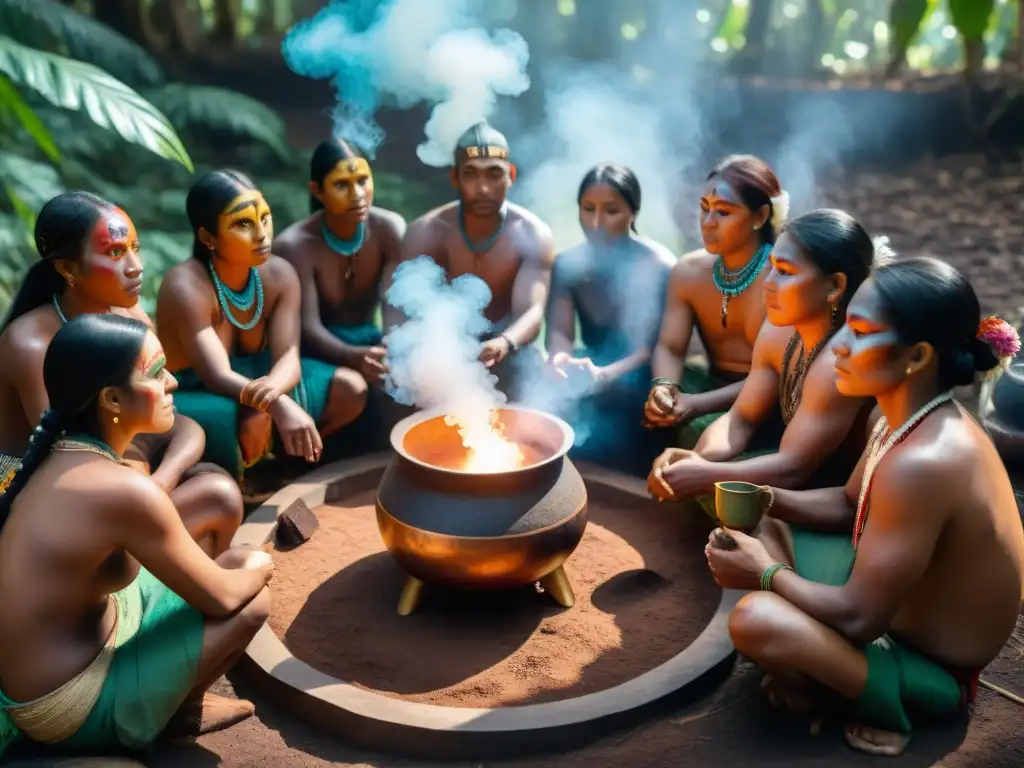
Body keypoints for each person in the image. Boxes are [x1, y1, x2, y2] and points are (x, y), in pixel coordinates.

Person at [704, 257, 1024, 756]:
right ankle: (819, 678)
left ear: (916, 356)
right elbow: (846, 503)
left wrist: (764, 572)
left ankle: (884, 707)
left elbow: (859, 620)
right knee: (759, 517)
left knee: (755, 618)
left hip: (931, 667)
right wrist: (767, 498)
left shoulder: (928, 461)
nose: (840, 348)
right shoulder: (901, 415)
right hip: (888, 610)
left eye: (859, 333)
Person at [0, 314, 274, 757]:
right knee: (249, 595)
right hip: (61, 703)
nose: (173, 384)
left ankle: (172, 702)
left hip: (76, 644)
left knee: (221, 543)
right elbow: (222, 598)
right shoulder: (120, 489)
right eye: (156, 373)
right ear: (111, 398)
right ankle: (168, 716)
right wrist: (263, 566)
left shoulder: (66, 452)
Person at [0, 192, 241, 556]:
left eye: (135, 247)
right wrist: (145, 485)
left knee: (212, 483)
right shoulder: (30, 345)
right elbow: (66, 463)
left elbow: (183, 426)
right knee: (215, 497)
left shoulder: (132, 321)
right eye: (115, 252)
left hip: (118, 472)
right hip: (36, 496)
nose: (135, 265)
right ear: (67, 268)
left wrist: (160, 482)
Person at [649, 209, 878, 515]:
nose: (768, 282)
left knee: (738, 502)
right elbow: (741, 419)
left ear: (835, 286)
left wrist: (705, 476)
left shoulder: (840, 358)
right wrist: (698, 461)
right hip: (793, 462)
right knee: (700, 446)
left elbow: (793, 468)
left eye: (784, 272)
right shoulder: (779, 328)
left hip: (840, 492)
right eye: (770, 267)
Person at [156, 170, 366, 483]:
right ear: (208, 237)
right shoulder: (186, 286)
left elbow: (288, 356)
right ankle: (243, 480)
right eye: (243, 223)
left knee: (351, 389)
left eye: (265, 218)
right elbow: (216, 375)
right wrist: (274, 405)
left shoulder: (279, 275)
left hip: (261, 378)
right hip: (199, 388)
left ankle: (286, 463)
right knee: (226, 414)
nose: (261, 234)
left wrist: (268, 398)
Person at [384, 120, 556, 401]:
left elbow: (532, 312)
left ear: (510, 175)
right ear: (455, 178)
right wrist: (401, 352)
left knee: (538, 389)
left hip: (508, 351)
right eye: (471, 175)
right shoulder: (427, 231)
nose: (483, 188)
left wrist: (504, 342)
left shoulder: (532, 234)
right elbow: (399, 306)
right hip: (443, 354)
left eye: (494, 174)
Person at [643, 155, 788, 448]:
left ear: (759, 217)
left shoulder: (780, 280)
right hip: (711, 384)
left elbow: (773, 378)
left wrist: (696, 404)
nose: (708, 223)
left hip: (769, 401)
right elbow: (670, 347)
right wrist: (665, 389)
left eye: (723, 212)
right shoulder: (688, 272)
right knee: (634, 388)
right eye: (704, 208)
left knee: (695, 429)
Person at [543, 163, 675, 476]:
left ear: (633, 212)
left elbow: (649, 349)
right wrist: (560, 361)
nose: (596, 223)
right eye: (588, 209)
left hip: (642, 378)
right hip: (589, 371)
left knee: (626, 418)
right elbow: (560, 333)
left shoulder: (658, 266)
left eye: (611, 211)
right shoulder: (567, 264)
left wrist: (604, 376)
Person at [275, 139, 406, 405]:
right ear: (318, 191)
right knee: (352, 387)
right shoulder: (295, 246)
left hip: (370, 343)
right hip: (313, 355)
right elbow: (308, 327)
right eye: (342, 185)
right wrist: (350, 355)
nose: (357, 194)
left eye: (362, 180)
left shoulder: (389, 229)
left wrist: (395, 346)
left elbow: (396, 305)